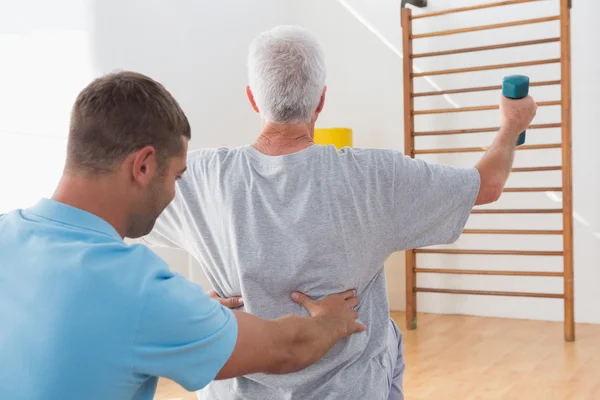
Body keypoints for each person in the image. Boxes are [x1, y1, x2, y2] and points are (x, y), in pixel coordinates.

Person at [143, 26, 538, 400]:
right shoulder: (376, 176)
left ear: (252, 99)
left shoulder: (196, 176)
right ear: (320, 100)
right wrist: (510, 125)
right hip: (349, 388)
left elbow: (108, 214)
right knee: (388, 335)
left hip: (233, 391)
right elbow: (486, 184)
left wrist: (187, 304)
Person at [0, 71, 367, 400]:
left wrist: (188, 317)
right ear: (143, 166)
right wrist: (331, 321)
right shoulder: (138, 289)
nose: (174, 193)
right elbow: (285, 349)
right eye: (177, 176)